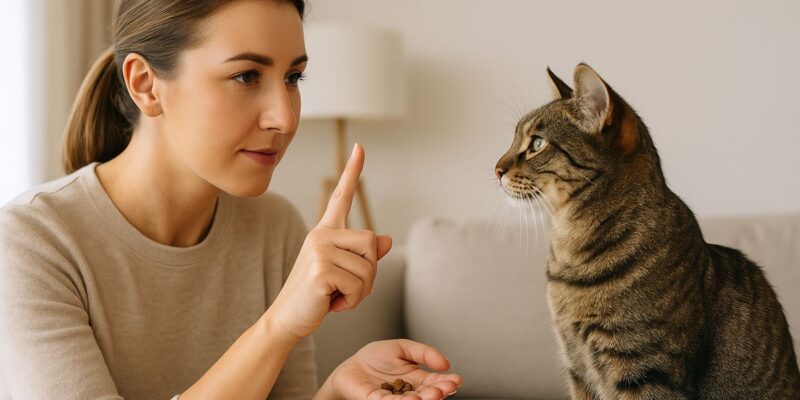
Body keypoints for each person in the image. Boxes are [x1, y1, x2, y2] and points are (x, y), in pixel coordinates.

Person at [0, 1, 462, 399]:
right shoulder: (31, 243)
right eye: (246, 75)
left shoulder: (274, 226)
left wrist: (337, 391)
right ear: (145, 84)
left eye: (294, 77)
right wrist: (279, 325)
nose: (284, 116)